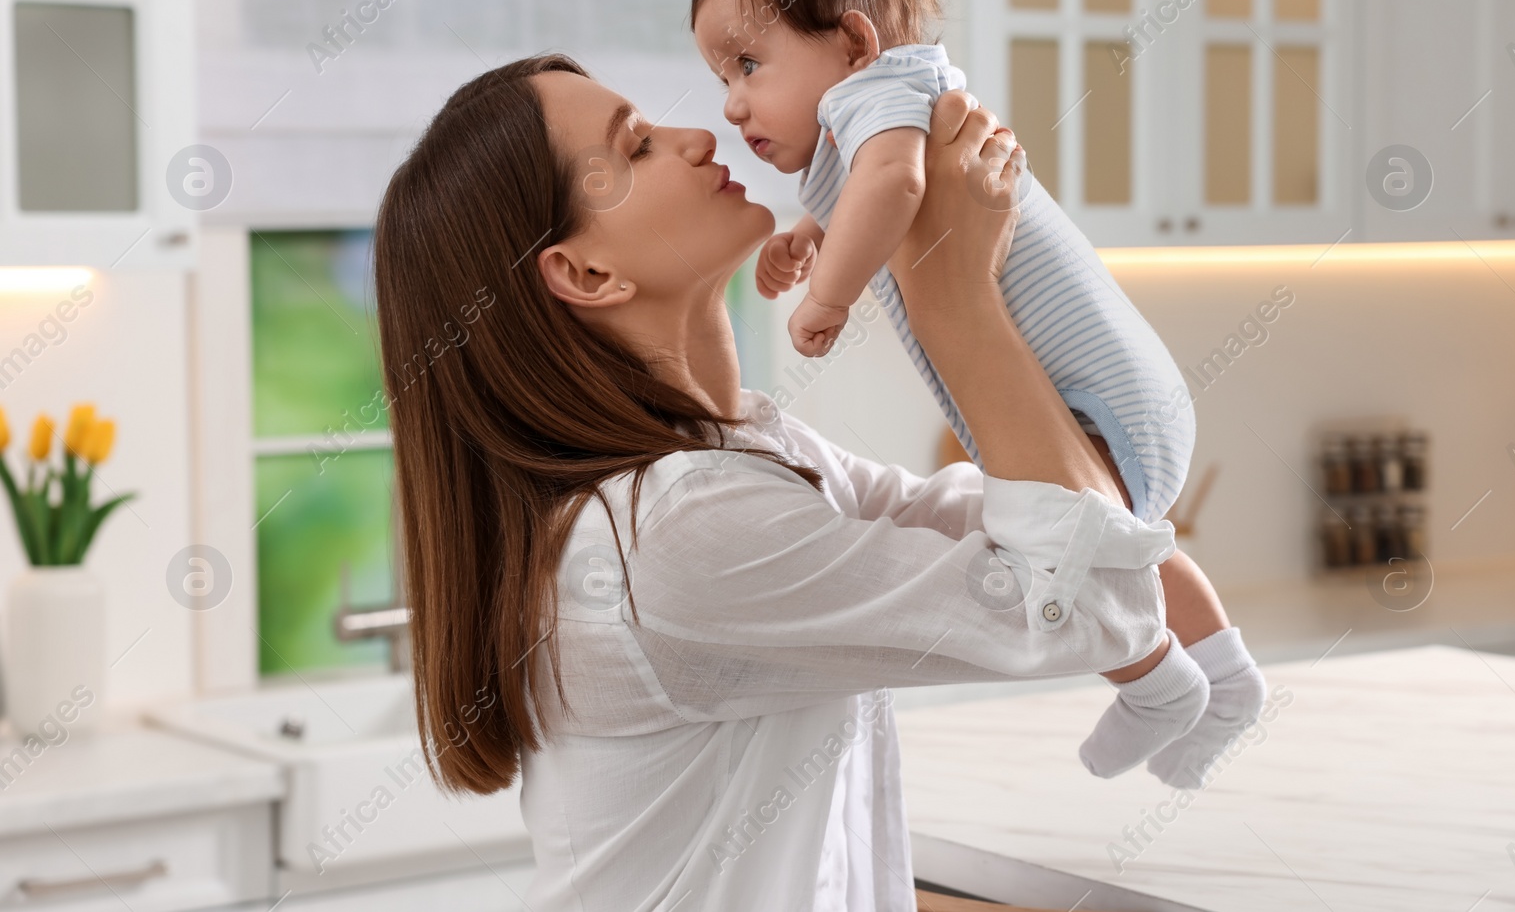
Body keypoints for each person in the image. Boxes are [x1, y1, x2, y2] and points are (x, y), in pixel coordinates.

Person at [373, 54, 1214, 910]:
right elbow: (1097, 596)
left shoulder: (738, 443)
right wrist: (951, 295)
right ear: (587, 275)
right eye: (638, 148)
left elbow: (1024, 528)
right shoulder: (670, 533)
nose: (697, 136)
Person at [690, 0, 1267, 785]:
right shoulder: (875, 116)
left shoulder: (876, 96)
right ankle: (1224, 676)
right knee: (1115, 537)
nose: (730, 104)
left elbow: (898, 191)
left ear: (851, 43)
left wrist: (826, 296)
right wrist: (813, 238)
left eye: (748, 67)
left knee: (1057, 543)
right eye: (721, 76)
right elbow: (882, 196)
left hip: (1093, 391)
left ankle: (1158, 685)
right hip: (1117, 393)